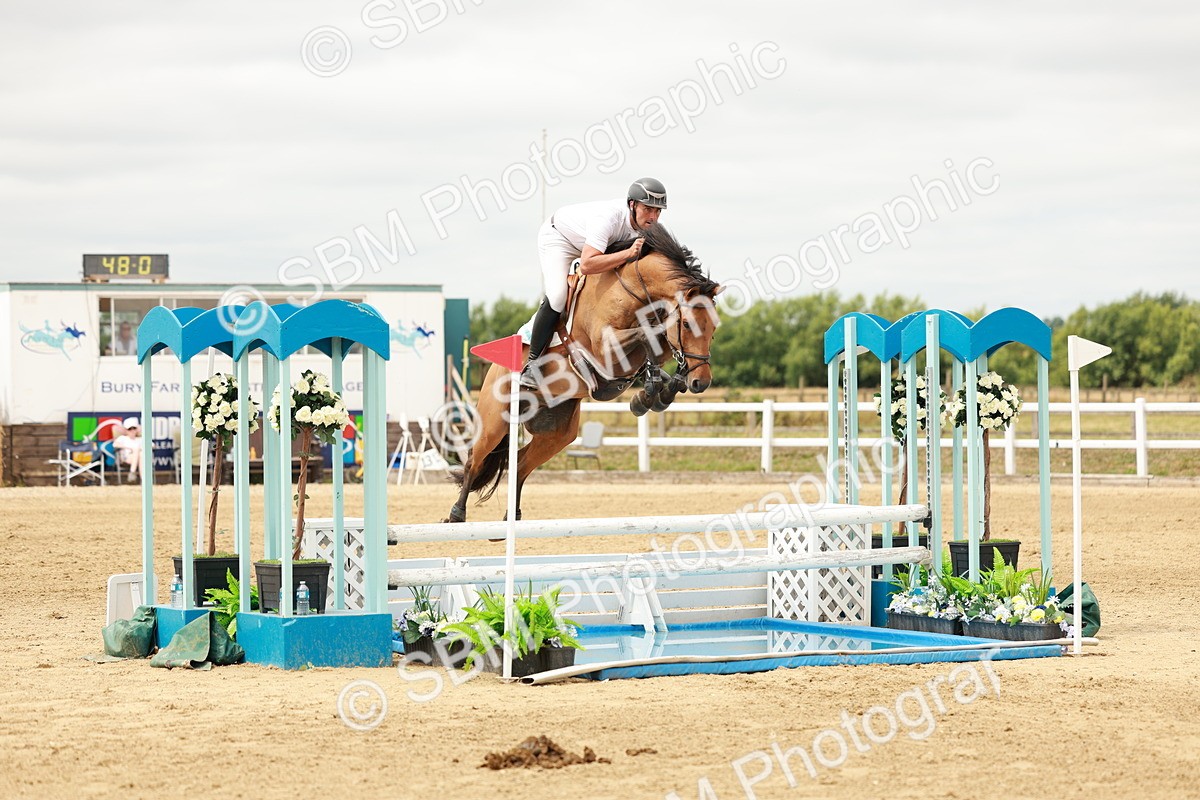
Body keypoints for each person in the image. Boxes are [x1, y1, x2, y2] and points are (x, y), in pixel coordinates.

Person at [519, 177, 668, 388]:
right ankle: (532, 365)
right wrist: (628, 253)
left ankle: (648, 367)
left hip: (593, 246)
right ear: (632, 205)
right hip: (559, 239)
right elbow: (588, 264)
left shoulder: (648, 226)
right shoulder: (609, 218)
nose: (653, 217)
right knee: (558, 295)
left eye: (658, 211)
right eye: (648, 209)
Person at [113, 417, 144, 482]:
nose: (132, 431)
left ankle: (133, 473)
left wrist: (139, 449)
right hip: (126, 458)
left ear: (137, 429)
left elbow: (152, 445)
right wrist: (129, 447)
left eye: (134, 428)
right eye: (130, 429)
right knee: (137, 451)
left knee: (141, 455)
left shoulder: (140, 439)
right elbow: (115, 444)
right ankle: (142, 479)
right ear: (126, 430)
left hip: (140, 458)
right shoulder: (123, 438)